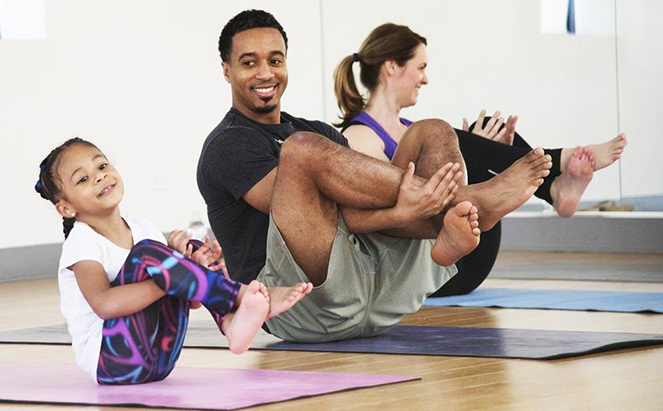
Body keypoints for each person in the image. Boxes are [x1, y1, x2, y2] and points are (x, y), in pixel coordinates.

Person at [197, 10, 551, 343]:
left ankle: (447, 217)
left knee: (432, 131)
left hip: (378, 289)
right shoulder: (227, 145)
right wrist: (403, 211)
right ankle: (461, 205)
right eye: (249, 63)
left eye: (275, 60)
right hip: (303, 305)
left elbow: (357, 203)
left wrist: (407, 209)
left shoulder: (318, 130)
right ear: (226, 70)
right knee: (301, 150)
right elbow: (326, 213)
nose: (265, 72)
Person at [334, 23, 627, 296]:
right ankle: (557, 172)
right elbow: (380, 212)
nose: (425, 78)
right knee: (449, 134)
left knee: (479, 132)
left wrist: (480, 152)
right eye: (420, 67)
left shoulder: (410, 130)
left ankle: (553, 187)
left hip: (466, 257)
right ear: (392, 67)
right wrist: (465, 147)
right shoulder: (360, 136)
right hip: (420, 272)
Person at [35, 137, 312, 384]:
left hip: (161, 359)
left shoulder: (143, 227)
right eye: (82, 179)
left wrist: (192, 266)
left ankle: (229, 323)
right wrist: (171, 279)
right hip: (114, 364)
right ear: (66, 208)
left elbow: (190, 301)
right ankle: (236, 295)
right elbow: (104, 305)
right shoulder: (82, 242)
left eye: (102, 166)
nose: (99, 177)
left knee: (187, 247)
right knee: (151, 253)